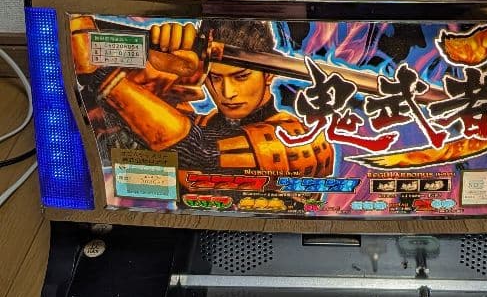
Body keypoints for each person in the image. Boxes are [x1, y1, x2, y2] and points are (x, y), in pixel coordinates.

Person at [72, 15, 333, 176]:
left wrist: (102, 74)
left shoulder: (302, 140)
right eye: (215, 78)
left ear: (268, 75)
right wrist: (160, 69)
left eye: (241, 77)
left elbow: (199, 152)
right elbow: (110, 136)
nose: (227, 93)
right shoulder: (203, 122)